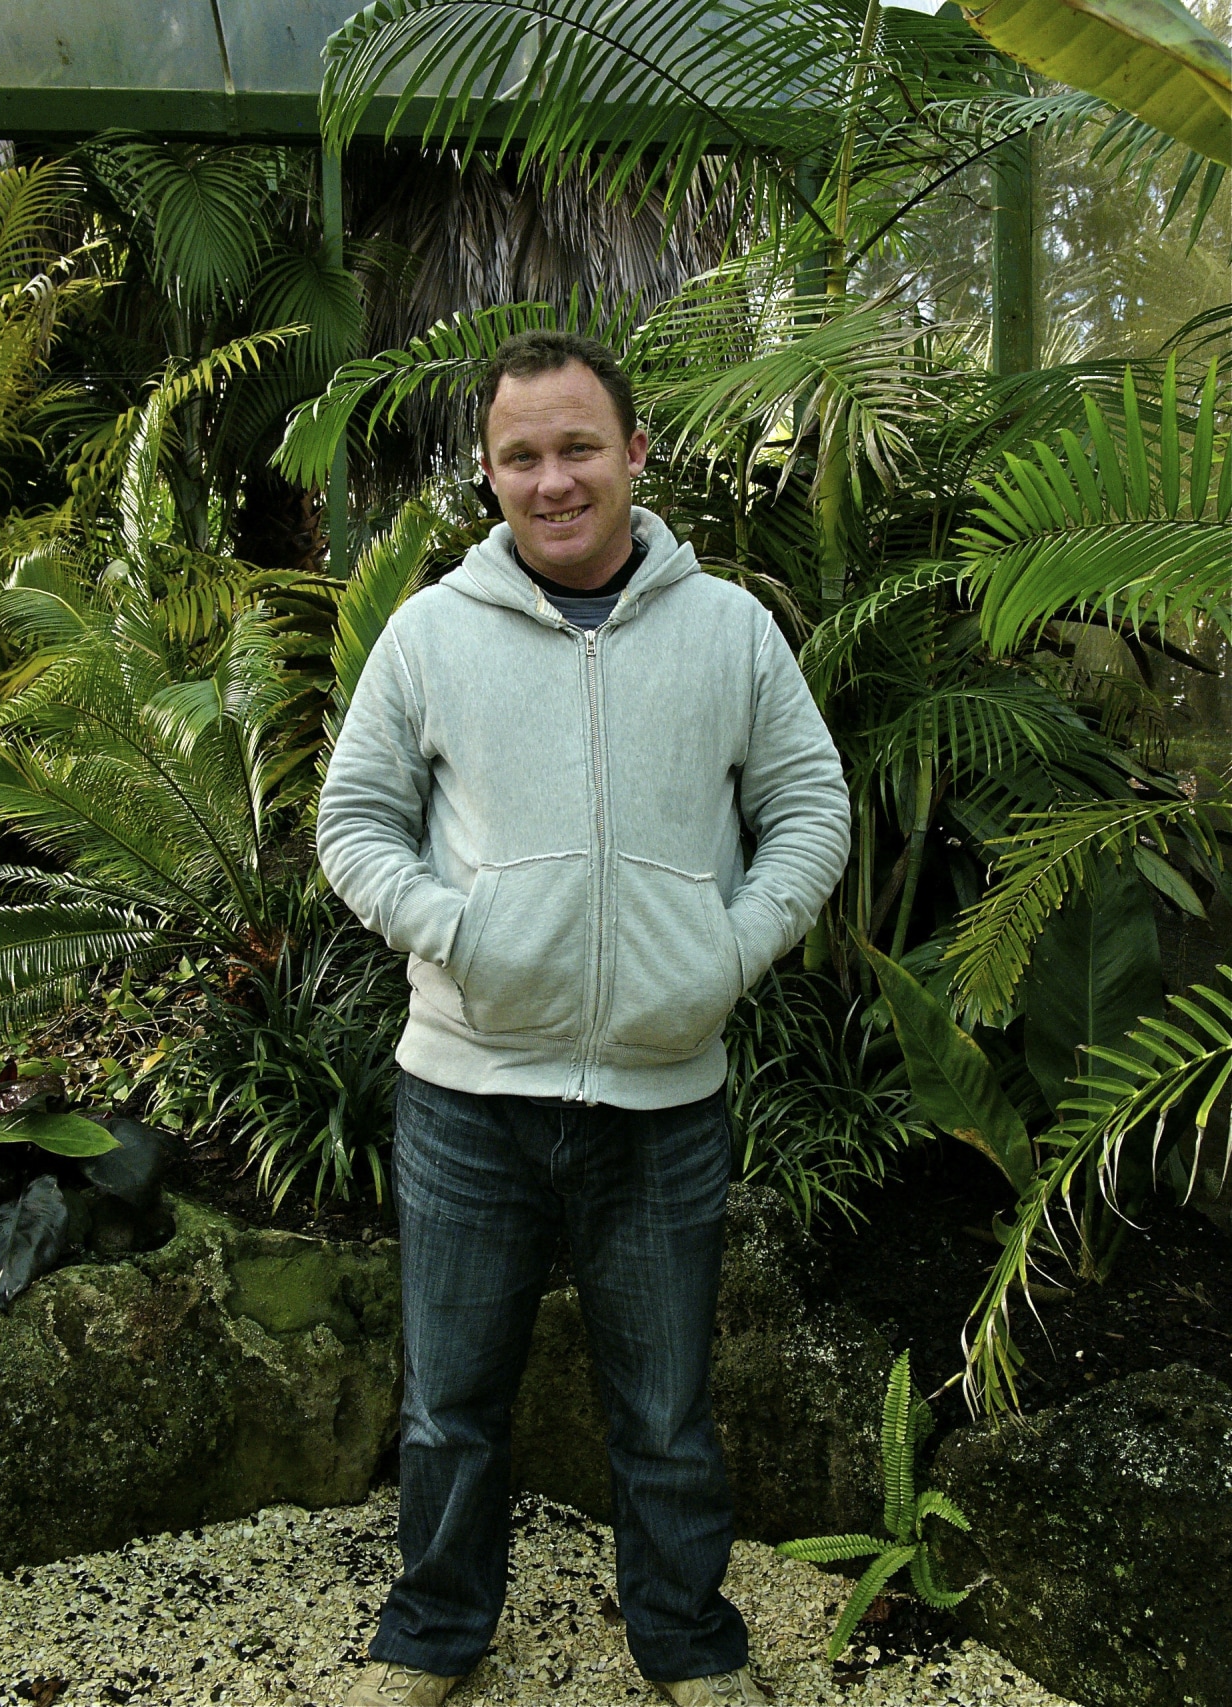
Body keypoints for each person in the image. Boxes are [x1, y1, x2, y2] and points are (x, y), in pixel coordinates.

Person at [317, 330, 851, 1707]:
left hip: (666, 1098)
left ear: (635, 454)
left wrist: (724, 954)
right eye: (520, 456)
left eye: (578, 448)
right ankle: (433, 1638)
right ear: (487, 473)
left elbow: (811, 810)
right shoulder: (431, 632)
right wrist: (460, 932)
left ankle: (687, 1641)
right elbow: (354, 822)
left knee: (666, 1415)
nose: (552, 480)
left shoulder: (730, 629)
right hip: (466, 1094)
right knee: (448, 1407)